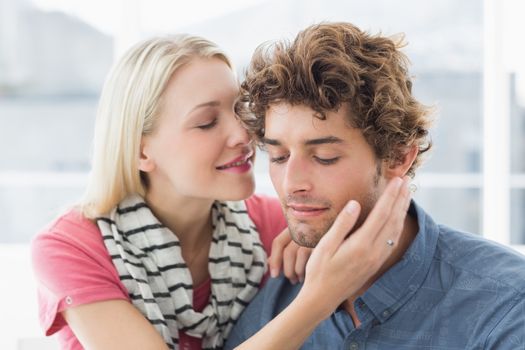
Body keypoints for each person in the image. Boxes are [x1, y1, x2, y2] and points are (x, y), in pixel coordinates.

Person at [31, 34, 411, 350]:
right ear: (140, 150)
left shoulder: (276, 224)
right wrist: (319, 296)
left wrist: (318, 230)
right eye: (207, 122)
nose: (244, 135)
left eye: (239, 110)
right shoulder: (70, 248)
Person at [225, 22, 525, 350]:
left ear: (397, 157)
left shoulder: (506, 304)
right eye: (279, 156)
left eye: (324, 156)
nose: (291, 183)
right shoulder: (274, 309)